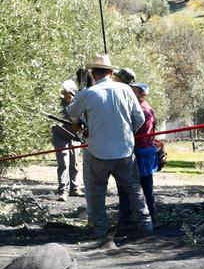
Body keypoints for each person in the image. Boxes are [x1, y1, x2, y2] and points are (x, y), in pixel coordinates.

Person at [66, 55, 152, 249]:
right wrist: (127, 134)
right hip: (124, 151)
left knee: (95, 193)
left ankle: (99, 231)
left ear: (92, 74)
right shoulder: (126, 90)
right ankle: (146, 228)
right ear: (112, 72)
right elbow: (138, 118)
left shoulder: (88, 93)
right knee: (134, 190)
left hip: (97, 151)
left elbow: (72, 112)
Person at [119, 82, 159, 230]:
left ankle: (141, 219)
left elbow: (134, 131)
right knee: (145, 184)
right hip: (146, 150)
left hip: (140, 150)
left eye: (133, 91)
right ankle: (149, 216)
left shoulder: (141, 110)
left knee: (139, 185)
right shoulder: (147, 108)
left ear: (141, 93)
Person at [51, 80, 83, 199]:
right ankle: (63, 190)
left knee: (74, 163)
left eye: (68, 93)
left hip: (74, 137)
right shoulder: (58, 105)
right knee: (63, 163)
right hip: (60, 137)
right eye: (65, 93)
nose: (66, 96)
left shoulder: (79, 102)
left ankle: (74, 188)